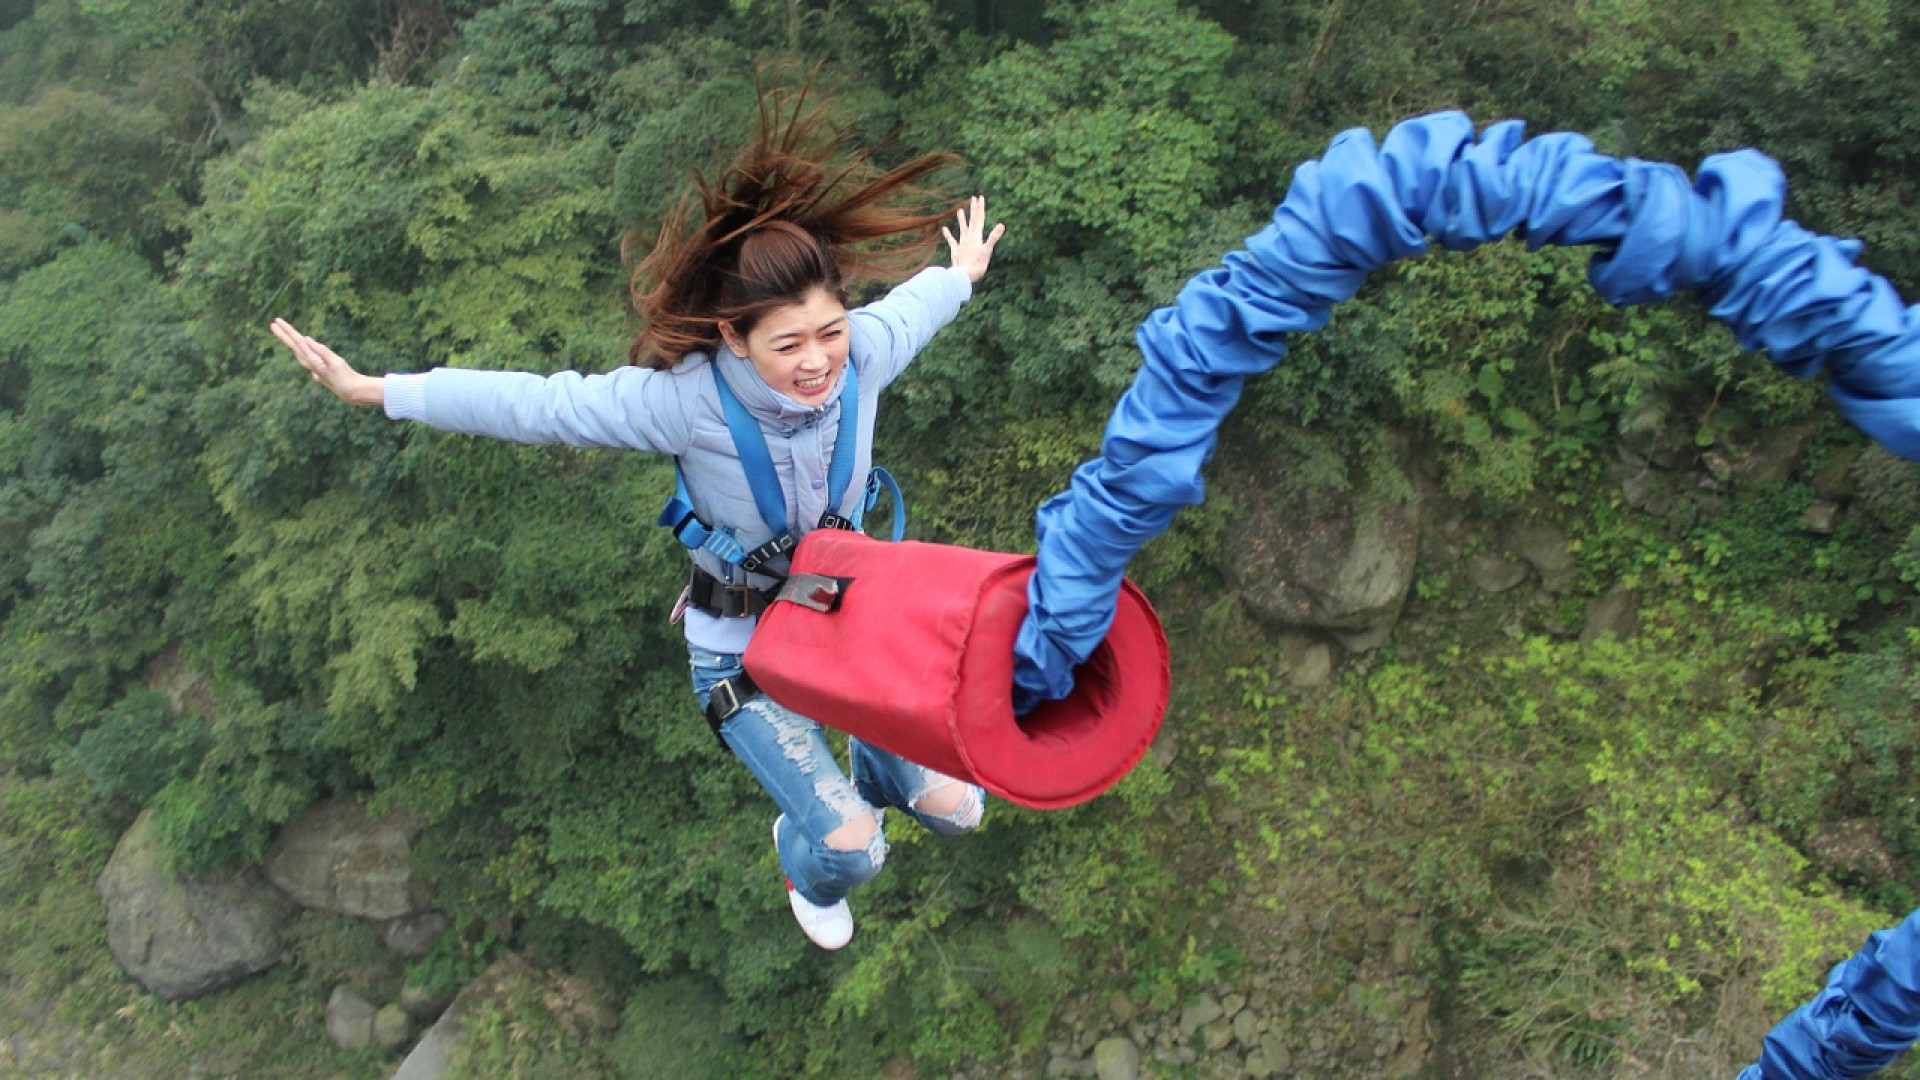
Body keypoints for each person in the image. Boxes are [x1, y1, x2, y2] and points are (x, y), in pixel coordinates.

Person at [269, 83, 1005, 950]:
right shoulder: (685, 405)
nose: (819, 364)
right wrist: (382, 391)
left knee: (964, 810)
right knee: (853, 855)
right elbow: (539, 405)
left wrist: (958, 275)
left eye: (830, 332)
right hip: (746, 655)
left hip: (844, 627)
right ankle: (806, 844)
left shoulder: (862, 356)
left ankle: (872, 772)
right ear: (733, 337)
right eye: (789, 344)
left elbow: (914, 308)